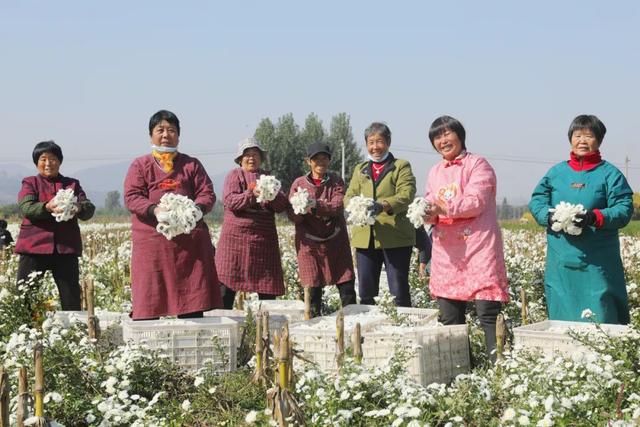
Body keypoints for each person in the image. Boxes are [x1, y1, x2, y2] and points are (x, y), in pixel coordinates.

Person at [529, 115, 633, 324]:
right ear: (570, 139)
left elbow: (623, 208)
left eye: (589, 136)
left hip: (597, 259)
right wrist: (547, 216)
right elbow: (537, 200)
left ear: (599, 140)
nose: (582, 141)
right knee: (562, 310)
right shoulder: (557, 172)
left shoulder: (610, 174)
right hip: (561, 257)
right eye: (577, 135)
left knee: (601, 310)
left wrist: (594, 217)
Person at [423, 115, 509, 362]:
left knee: (487, 312)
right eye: (437, 137)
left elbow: (477, 201)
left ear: (460, 136)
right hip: (447, 252)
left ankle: (499, 369)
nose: (443, 140)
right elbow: (430, 201)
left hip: (478, 247)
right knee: (450, 315)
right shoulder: (435, 171)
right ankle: (461, 370)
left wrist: (441, 208)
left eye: (447, 134)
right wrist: (426, 213)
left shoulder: (478, 165)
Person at [124, 110, 220, 320]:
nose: (166, 135)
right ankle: (146, 349)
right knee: (149, 299)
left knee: (191, 300)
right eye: (160, 130)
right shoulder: (140, 165)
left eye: (171, 130)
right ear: (151, 135)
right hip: (153, 243)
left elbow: (207, 193)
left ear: (179, 135)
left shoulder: (191, 164)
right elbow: (132, 196)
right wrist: (155, 210)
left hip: (189, 246)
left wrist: (197, 210)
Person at [15, 141, 95, 311]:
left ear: (60, 161)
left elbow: (88, 208)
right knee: (25, 295)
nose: (48, 163)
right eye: (43, 159)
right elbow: (26, 207)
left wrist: (79, 207)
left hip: (65, 249)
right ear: (37, 163)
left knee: (71, 296)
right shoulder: (30, 183)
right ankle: (25, 331)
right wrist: (46, 207)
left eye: (52, 159)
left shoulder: (72, 184)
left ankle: (73, 331)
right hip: (34, 247)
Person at [345, 122, 416, 307]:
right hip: (365, 237)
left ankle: (402, 329)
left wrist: (383, 205)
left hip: (395, 236)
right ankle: (368, 331)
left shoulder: (401, 166)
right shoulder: (360, 169)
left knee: (398, 291)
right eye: (371, 142)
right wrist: (356, 206)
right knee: (366, 293)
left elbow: (406, 194)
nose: (375, 147)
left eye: (380, 141)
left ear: (388, 142)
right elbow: (349, 196)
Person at [215, 137, 289, 309]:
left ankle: (267, 329)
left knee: (267, 289)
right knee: (226, 284)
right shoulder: (234, 175)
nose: (251, 158)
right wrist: (251, 193)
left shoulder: (269, 177)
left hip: (263, 242)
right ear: (240, 159)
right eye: (246, 155)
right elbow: (231, 201)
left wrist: (272, 195)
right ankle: (222, 327)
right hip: (234, 241)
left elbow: (281, 205)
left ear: (261, 157)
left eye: (255, 154)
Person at [288, 142, 357, 316]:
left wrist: (313, 204)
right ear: (308, 162)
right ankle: (314, 326)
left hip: (336, 240)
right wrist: (300, 210)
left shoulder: (336, 181)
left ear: (329, 160)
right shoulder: (299, 183)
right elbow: (293, 214)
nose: (320, 162)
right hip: (309, 244)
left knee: (346, 285)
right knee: (313, 286)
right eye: (316, 159)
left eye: (324, 158)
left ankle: (352, 322)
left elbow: (336, 206)